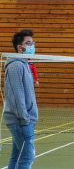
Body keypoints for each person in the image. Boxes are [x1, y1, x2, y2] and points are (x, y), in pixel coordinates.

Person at [4, 29, 38, 169]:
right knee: (27, 158)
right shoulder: (16, 65)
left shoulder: (24, 64)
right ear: (19, 47)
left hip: (23, 120)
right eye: (28, 43)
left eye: (33, 43)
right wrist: (25, 119)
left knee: (17, 157)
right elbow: (18, 96)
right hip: (21, 121)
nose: (32, 45)